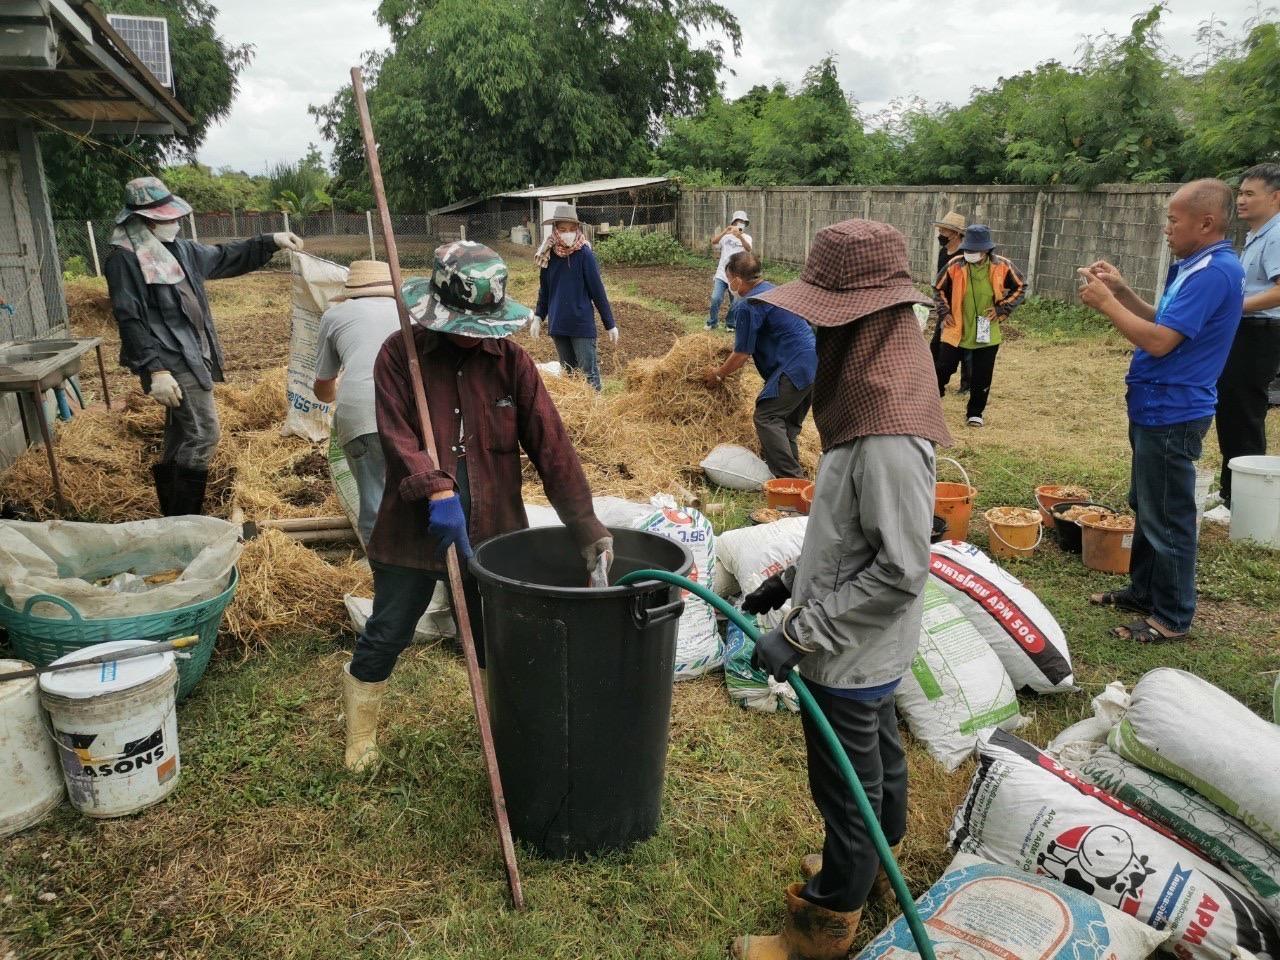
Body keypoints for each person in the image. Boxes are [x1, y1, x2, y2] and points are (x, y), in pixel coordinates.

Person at [729, 220, 951, 960]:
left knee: (845, 795)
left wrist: (798, 632)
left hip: (848, 653)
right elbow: (859, 537)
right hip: (864, 643)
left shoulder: (885, 434)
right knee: (880, 763)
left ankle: (820, 930)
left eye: (824, 318)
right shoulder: (874, 394)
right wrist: (792, 580)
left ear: (859, 321)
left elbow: (899, 569)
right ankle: (872, 864)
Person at [341, 241, 613, 772]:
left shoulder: (512, 363)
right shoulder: (401, 355)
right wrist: (437, 488)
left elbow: (552, 447)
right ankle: (360, 735)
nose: (469, 335)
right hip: (414, 528)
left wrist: (585, 524)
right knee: (390, 628)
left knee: (502, 640)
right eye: (460, 323)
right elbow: (397, 437)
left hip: (492, 534)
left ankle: (510, 727)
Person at [1079, 179, 1244, 644]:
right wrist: (1124, 291)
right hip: (1154, 403)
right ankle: (1144, 590)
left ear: (1205, 222)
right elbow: (1162, 320)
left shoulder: (1214, 271)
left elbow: (1158, 341)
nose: (1166, 228)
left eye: (1173, 220)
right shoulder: (1193, 266)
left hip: (1174, 409)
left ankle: (1171, 616)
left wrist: (1108, 305)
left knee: (1167, 515)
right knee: (1146, 504)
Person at [105, 176, 303, 516]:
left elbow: (224, 256)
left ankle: (174, 515)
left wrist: (269, 241)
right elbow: (131, 319)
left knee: (182, 432)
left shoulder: (177, 249)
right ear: (145, 220)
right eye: (168, 218)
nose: (175, 223)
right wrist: (156, 371)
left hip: (192, 353)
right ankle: (185, 519)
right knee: (204, 433)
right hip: (169, 360)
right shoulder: (124, 259)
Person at [701, 252, 816, 479]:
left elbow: (742, 353)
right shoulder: (774, 290)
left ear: (736, 280)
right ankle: (789, 476)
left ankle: (791, 481)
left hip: (794, 367)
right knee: (787, 425)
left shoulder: (749, 305)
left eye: (729, 279)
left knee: (767, 417)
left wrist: (718, 375)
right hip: (813, 363)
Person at [312, 261, 400, 545]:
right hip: (409, 412)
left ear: (352, 291)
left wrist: (336, 395)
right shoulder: (411, 312)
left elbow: (324, 387)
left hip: (359, 413)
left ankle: (383, 572)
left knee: (374, 497)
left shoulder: (336, 315)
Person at [1214, 163, 1280, 508]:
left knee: (1243, 412)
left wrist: (1236, 307)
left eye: (1250, 194)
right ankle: (1231, 487)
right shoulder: (1259, 235)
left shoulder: (1278, 234)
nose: (1241, 200)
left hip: (1260, 332)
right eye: (1240, 193)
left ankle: (1240, 501)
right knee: (1230, 408)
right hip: (1247, 330)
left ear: (1276, 197)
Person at [933, 224, 1026, 427]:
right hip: (956, 325)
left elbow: (1020, 286)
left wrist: (1002, 309)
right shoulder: (955, 264)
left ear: (985, 250)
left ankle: (975, 412)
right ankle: (931, 403)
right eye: (967, 250)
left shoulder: (1003, 265)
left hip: (986, 326)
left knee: (982, 373)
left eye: (974, 251)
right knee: (943, 367)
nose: (969, 254)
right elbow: (938, 288)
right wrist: (944, 312)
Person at [530, 203, 617, 391]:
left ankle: (598, 415)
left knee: (588, 374)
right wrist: (538, 316)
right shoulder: (548, 255)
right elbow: (545, 290)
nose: (567, 233)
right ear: (556, 230)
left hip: (581, 325)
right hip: (559, 324)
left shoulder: (585, 254)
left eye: (571, 229)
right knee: (569, 375)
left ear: (577, 229)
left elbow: (597, 291)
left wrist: (610, 323)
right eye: (563, 230)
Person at [930, 211, 971, 392]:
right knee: (937, 346)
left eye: (944, 231)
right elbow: (940, 281)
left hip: (963, 306)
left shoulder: (965, 255)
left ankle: (967, 385)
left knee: (966, 349)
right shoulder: (943, 252)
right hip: (945, 305)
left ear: (955, 233)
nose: (941, 235)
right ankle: (934, 383)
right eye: (940, 230)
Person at [708, 210, 753, 330]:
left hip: (737, 276)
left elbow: (748, 249)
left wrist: (740, 237)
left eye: (743, 222)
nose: (740, 224)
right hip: (722, 274)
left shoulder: (747, 238)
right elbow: (713, 242)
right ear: (733, 223)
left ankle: (730, 323)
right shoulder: (726, 237)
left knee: (736, 302)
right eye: (738, 221)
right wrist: (725, 231)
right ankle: (712, 322)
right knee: (715, 298)